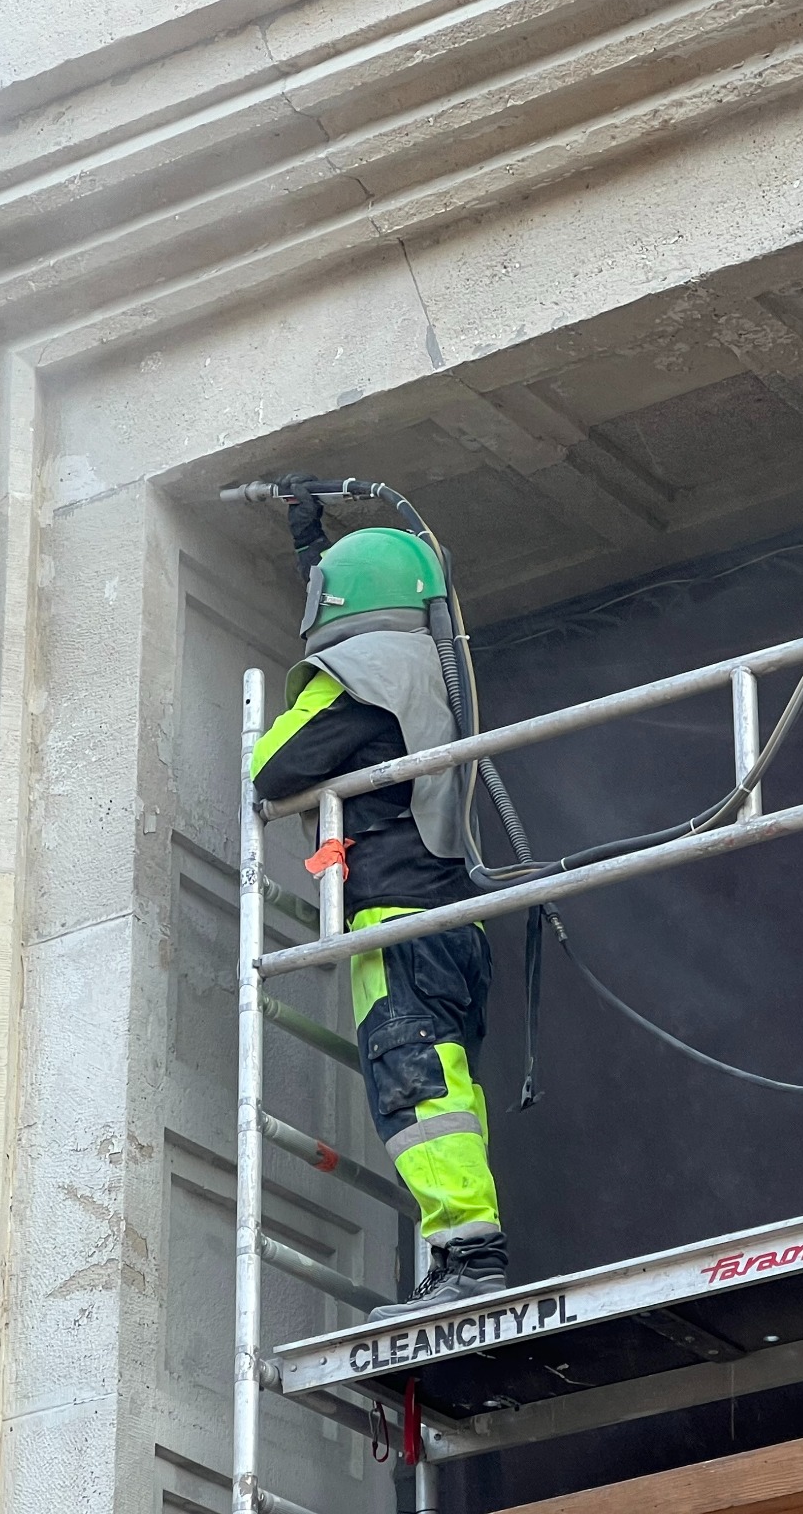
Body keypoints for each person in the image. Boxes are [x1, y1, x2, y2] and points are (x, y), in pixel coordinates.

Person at [250, 478, 507, 1320]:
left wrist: (305, 692)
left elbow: (275, 765)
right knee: (445, 1088)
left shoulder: (362, 674)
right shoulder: (432, 671)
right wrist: (306, 539)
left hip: (394, 923)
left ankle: (470, 1259)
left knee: (416, 1089)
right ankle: (459, 1259)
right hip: (450, 923)